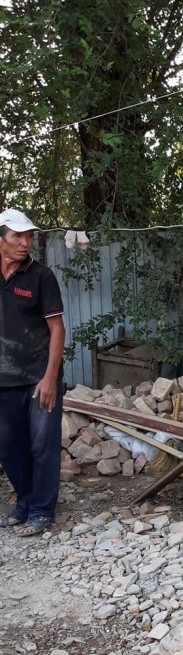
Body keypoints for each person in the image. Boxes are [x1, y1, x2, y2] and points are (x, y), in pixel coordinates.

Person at [0, 208, 65, 536]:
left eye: (29, 236)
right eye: (18, 236)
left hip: (39, 378)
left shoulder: (41, 276)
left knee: (42, 446)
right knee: (9, 448)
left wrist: (50, 378)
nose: (25, 243)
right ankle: (24, 502)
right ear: (1, 240)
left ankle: (41, 510)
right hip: (4, 381)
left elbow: (57, 329)